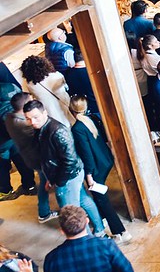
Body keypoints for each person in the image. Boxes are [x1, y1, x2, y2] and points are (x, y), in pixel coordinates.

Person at [23, 100, 105, 236]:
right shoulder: (42, 128)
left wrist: (59, 182)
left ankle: (87, 240)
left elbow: (70, 161)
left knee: (72, 216)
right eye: (28, 119)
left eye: (36, 117)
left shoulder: (57, 131)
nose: (32, 122)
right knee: (84, 200)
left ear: (45, 113)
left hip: (68, 177)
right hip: (70, 174)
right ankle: (100, 231)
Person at [69, 96, 132, 245]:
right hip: (105, 160)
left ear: (71, 110)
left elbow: (86, 153)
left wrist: (89, 174)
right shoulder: (91, 119)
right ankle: (103, 219)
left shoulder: (77, 128)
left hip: (95, 167)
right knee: (100, 197)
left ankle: (121, 232)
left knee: (102, 200)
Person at [4, 92, 57, 221]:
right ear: (25, 107)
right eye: (31, 100)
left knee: (44, 182)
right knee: (49, 184)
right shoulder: (25, 125)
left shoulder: (9, 117)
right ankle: (44, 212)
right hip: (39, 158)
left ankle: (43, 212)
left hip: (30, 157)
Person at [44, 205, 133, 272]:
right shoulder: (106, 245)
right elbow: (127, 269)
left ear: (62, 231)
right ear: (87, 221)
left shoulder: (52, 258)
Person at [0, 83, 34, 201]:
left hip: (2, 144)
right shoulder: (11, 87)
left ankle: (5, 191)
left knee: (2, 166)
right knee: (22, 160)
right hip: (15, 138)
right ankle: (29, 185)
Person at [20, 55, 73, 125]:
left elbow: (27, 95)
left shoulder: (29, 85)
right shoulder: (56, 75)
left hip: (52, 115)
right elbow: (66, 88)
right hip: (66, 107)